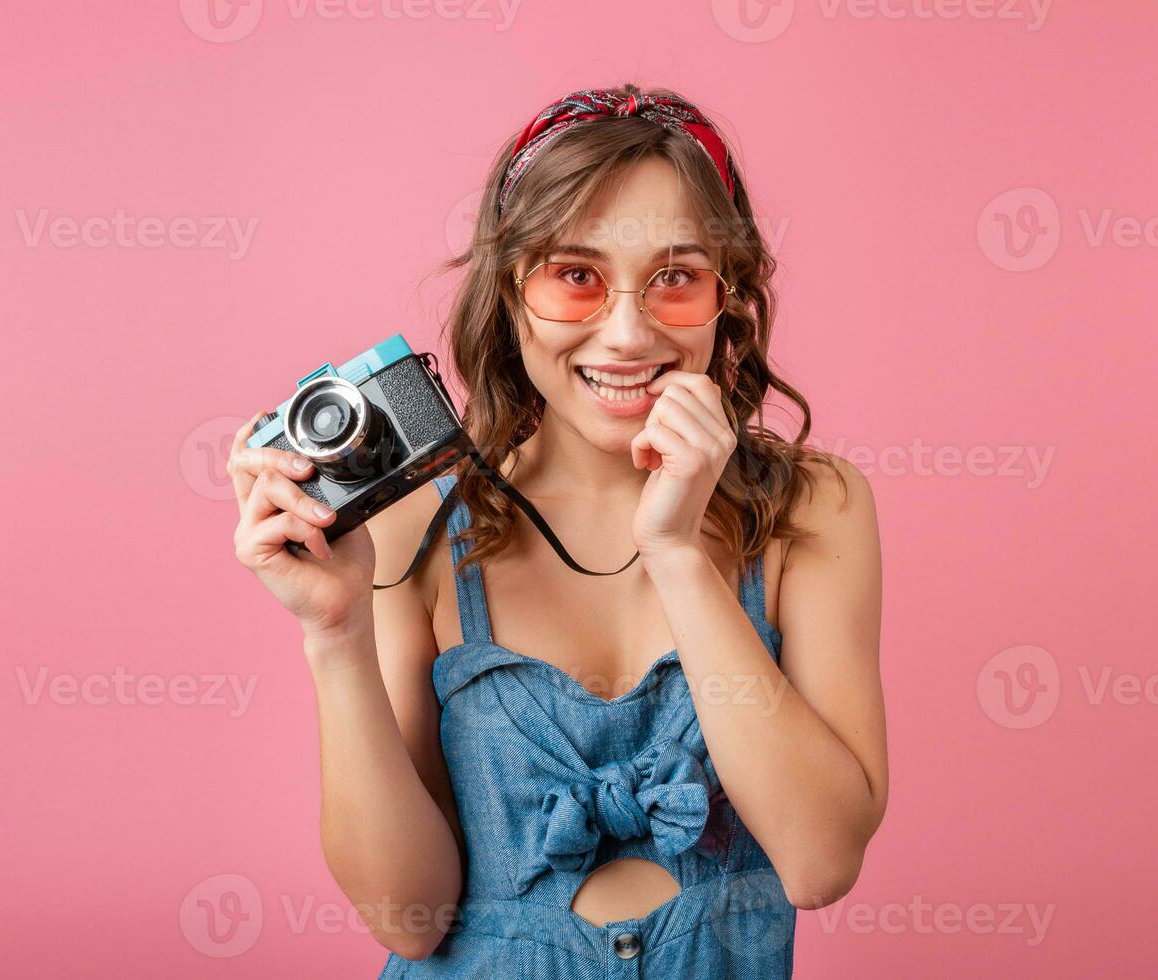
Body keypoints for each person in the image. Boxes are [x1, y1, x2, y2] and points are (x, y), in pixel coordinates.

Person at [227, 84, 887, 978]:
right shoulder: (421, 523)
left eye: (676, 279)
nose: (625, 332)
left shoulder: (811, 510)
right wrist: (333, 633)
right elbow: (408, 919)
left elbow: (818, 863)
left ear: (726, 297)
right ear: (509, 291)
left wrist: (679, 553)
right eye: (575, 276)